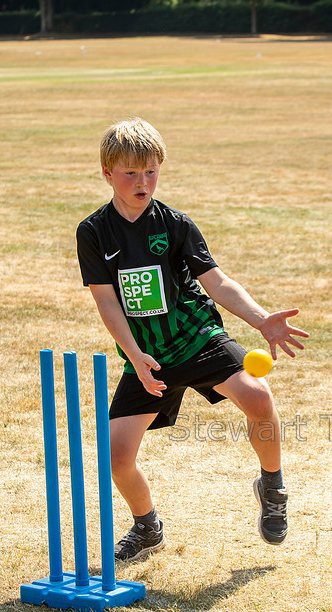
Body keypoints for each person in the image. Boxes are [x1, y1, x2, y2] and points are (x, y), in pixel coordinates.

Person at [76, 118, 309, 562]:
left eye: (151, 171)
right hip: (149, 355)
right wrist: (136, 358)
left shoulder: (176, 224)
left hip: (198, 338)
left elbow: (218, 283)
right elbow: (107, 303)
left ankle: (272, 484)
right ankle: (147, 528)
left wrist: (262, 320)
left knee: (258, 396)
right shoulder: (93, 232)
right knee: (116, 457)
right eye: (130, 173)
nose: (142, 182)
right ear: (107, 174)